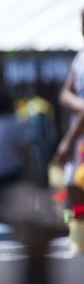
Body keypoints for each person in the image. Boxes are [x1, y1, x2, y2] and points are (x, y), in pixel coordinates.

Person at [54, 8, 84, 207]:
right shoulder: (80, 57)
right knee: (74, 193)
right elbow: (64, 93)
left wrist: (67, 142)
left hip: (77, 140)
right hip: (79, 140)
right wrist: (82, 106)